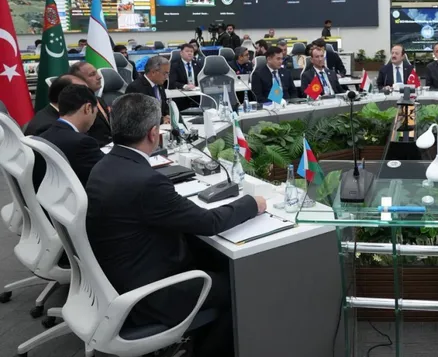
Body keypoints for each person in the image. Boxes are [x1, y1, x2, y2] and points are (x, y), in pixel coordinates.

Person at [85, 93, 266, 357]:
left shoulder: (103, 166)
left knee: (210, 257)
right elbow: (208, 222)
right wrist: (252, 203)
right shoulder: (147, 182)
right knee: (244, 285)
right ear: (153, 133)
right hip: (149, 294)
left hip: (116, 279)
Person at [33, 84, 104, 191]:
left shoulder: (44, 135)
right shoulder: (82, 143)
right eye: (96, 114)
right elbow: (106, 172)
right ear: (88, 108)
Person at [68, 61, 112, 145]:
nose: (99, 77)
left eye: (96, 73)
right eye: (92, 75)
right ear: (78, 81)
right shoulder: (78, 107)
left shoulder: (99, 100)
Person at [125, 56, 170, 122]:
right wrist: (161, 120)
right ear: (153, 72)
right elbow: (138, 116)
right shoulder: (135, 88)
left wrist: (168, 116)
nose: (166, 77)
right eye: (165, 73)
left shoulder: (159, 84)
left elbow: (164, 107)